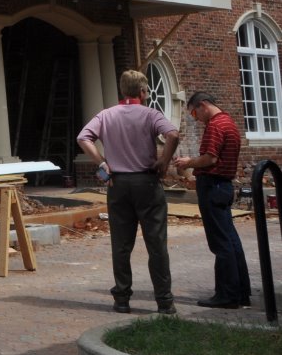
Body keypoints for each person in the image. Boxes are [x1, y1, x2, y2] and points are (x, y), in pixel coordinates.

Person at [76, 69, 179, 314]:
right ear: (143, 92)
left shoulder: (106, 115)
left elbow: (83, 137)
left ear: (122, 91)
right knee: (156, 243)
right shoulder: (151, 114)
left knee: (121, 244)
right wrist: (164, 160)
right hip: (146, 182)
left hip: (118, 183)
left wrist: (101, 162)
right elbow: (173, 133)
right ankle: (164, 300)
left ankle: (121, 298)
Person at [174, 92, 251, 309]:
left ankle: (227, 294)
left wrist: (189, 162)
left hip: (213, 185)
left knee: (220, 243)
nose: (195, 118)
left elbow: (210, 158)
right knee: (231, 241)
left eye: (194, 112)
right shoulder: (229, 123)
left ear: (203, 105)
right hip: (224, 186)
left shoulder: (215, 126)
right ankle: (241, 291)